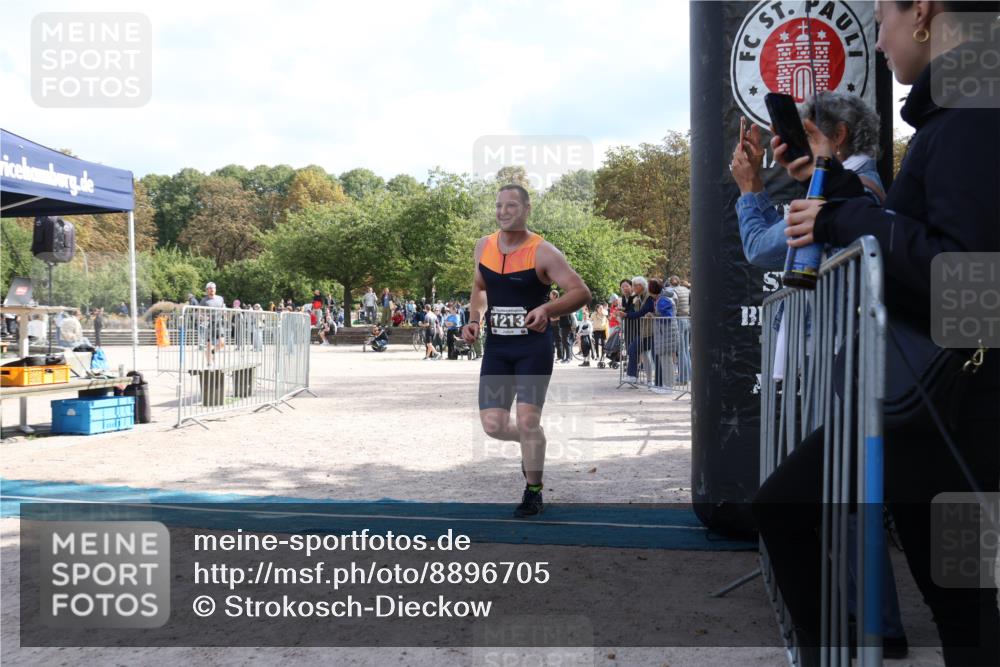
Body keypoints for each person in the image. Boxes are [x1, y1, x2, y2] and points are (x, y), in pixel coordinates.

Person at [754, 3, 1000, 666]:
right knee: (962, 604)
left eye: (881, 15)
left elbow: (963, 273)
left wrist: (843, 218)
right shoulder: (961, 108)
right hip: (932, 397)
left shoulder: (973, 112)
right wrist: (825, 187)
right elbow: (907, 229)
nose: (879, 38)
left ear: (921, 11)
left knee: (965, 607)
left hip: (947, 399)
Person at [462, 184, 589, 517]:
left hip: (533, 346)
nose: (504, 211)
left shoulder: (544, 251)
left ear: (527, 209)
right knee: (493, 424)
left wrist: (548, 310)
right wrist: (474, 319)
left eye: (512, 205)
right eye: (499, 205)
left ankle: (533, 490)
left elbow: (580, 292)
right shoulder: (483, 246)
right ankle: (531, 440)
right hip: (498, 348)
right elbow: (479, 287)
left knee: (527, 419)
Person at [732, 92, 885, 269]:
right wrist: (755, 183)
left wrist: (747, 188)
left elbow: (760, 250)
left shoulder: (854, 193)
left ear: (838, 135)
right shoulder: (850, 187)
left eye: (809, 136)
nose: (803, 146)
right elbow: (787, 238)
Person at [620, 276, 654, 383]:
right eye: (623, 286)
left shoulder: (648, 297)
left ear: (639, 286)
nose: (631, 289)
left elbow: (640, 313)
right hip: (643, 330)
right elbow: (639, 312)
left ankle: (648, 380)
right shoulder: (640, 297)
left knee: (645, 354)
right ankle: (634, 376)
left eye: (631, 286)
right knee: (635, 350)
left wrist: (626, 314)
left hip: (649, 330)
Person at [198, 282, 226, 364]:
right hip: (210, 324)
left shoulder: (220, 298)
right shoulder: (204, 300)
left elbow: (223, 307)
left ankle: (212, 352)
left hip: (219, 323)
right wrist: (203, 317)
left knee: (222, 343)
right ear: (207, 290)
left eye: (213, 288)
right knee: (209, 345)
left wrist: (225, 312)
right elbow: (199, 312)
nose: (212, 290)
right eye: (210, 288)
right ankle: (209, 364)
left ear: (215, 289)